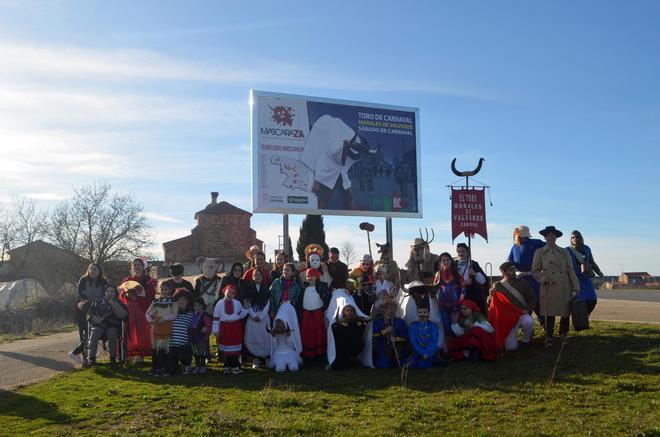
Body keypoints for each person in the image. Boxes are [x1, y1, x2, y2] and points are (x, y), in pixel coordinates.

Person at [532, 226, 580, 346]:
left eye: (553, 235)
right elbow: (535, 270)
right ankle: (549, 337)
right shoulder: (540, 252)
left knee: (565, 313)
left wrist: (575, 287)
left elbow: (570, 270)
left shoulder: (564, 252)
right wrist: (543, 279)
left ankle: (563, 334)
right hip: (548, 286)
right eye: (548, 235)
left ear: (556, 237)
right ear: (545, 237)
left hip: (564, 285)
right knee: (549, 313)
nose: (551, 237)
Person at [488, 262, 537, 351]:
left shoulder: (523, 282)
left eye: (514, 268)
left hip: (521, 314)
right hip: (507, 319)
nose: (514, 271)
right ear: (504, 273)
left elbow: (532, 298)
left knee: (528, 322)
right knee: (511, 348)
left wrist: (527, 310)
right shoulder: (497, 285)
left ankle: (525, 341)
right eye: (511, 270)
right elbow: (491, 303)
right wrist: (491, 295)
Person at [69, 263, 109, 364]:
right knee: (83, 334)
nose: (93, 271)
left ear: (99, 271)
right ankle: (84, 358)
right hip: (83, 309)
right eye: (91, 269)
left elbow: (106, 294)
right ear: (88, 270)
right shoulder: (83, 280)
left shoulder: (104, 282)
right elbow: (81, 293)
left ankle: (80, 354)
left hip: (97, 310)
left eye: (95, 269)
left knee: (91, 333)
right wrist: (90, 302)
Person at [120, 258, 157, 362]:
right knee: (129, 330)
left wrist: (138, 295)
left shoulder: (148, 280)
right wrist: (126, 294)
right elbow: (121, 294)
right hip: (129, 309)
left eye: (138, 265)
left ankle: (140, 354)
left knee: (141, 331)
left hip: (142, 308)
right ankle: (129, 353)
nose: (136, 267)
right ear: (132, 267)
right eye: (134, 265)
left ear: (143, 266)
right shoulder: (127, 280)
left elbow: (150, 294)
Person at [507, 225, 546, 322]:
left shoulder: (536, 243)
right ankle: (524, 323)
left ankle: (543, 322)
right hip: (521, 278)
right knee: (522, 301)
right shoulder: (514, 247)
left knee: (537, 300)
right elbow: (510, 260)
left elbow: (548, 246)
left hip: (534, 277)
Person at [85, 284, 127, 367]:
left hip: (112, 325)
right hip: (99, 325)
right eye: (107, 291)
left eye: (112, 291)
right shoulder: (97, 302)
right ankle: (92, 358)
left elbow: (123, 315)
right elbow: (89, 315)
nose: (110, 293)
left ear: (115, 293)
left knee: (112, 333)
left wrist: (113, 304)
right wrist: (97, 320)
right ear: (104, 293)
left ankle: (112, 359)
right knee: (95, 333)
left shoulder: (118, 302)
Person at [212, 284, 248, 374]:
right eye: (229, 292)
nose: (230, 294)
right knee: (227, 350)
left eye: (232, 293)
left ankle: (235, 366)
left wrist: (246, 309)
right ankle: (227, 366)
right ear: (224, 292)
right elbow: (216, 318)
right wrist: (216, 331)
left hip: (235, 328)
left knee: (234, 350)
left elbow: (240, 315)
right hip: (224, 329)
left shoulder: (237, 303)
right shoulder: (219, 304)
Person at [566, 230, 603, 314]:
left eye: (577, 237)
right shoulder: (567, 250)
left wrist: (599, 272)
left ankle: (586, 314)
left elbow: (592, 262)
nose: (575, 239)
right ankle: (580, 319)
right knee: (579, 301)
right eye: (573, 237)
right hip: (574, 280)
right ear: (570, 239)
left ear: (581, 238)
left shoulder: (586, 249)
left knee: (592, 300)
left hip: (586, 279)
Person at [145, 282, 178, 376]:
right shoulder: (155, 301)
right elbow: (147, 313)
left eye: (165, 289)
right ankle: (154, 367)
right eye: (162, 289)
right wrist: (151, 319)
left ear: (170, 290)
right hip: (155, 327)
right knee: (155, 349)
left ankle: (162, 367)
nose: (163, 291)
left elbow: (174, 314)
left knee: (164, 348)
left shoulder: (173, 301)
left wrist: (164, 319)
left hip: (166, 326)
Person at [299, 268, 331, 361]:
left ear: (316, 276)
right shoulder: (303, 288)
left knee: (318, 332)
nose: (309, 278)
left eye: (312, 276)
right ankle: (307, 354)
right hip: (306, 314)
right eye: (308, 276)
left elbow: (327, 298)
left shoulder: (322, 287)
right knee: (306, 332)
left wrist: (323, 309)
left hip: (318, 313)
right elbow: (300, 301)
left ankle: (320, 354)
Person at [243, 269, 271, 369]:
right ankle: (256, 359)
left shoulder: (266, 289)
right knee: (254, 337)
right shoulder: (248, 289)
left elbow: (268, 303)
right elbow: (246, 303)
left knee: (265, 337)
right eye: (256, 275)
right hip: (252, 317)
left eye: (260, 275)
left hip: (264, 317)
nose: (258, 277)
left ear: (262, 277)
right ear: (252, 277)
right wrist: (253, 315)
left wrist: (262, 316)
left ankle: (266, 357)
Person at [328, 302, 368, 370]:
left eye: (351, 310)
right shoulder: (338, 323)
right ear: (343, 312)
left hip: (353, 347)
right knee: (337, 366)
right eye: (347, 310)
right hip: (342, 350)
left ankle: (351, 359)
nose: (350, 312)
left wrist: (361, 322)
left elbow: (360, 331)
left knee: (360, 344)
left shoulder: (357, 322)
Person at [434, 252, 465, 337]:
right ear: (440, 263)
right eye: (443, 260)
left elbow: (463, 289)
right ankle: (450, 348)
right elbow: (434, 290)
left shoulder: (458, 273)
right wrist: (436, 302)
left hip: (455, 305)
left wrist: (460, 301)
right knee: (446, 327)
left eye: (448, 259)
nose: (446, 262)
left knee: (454, 327)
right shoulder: (438, 275)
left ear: (451, 261)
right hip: (442, 305)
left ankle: (458, 347)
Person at [372, 300, 409, 368]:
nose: (391, 311)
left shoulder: (400, 322)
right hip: (382, 346)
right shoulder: (378, 322)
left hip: (398, 347)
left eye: (393, 309)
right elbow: (373, 335)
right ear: (384, 309)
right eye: (389, 308)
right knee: (384, 365)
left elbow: (405, 337)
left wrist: (397, 339)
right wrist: (384, 331)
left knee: (402, 364)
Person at [268, 302, 303, 372]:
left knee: (294, 367)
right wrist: (273, 336)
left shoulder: (288, 329)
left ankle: (291, 363)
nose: (279, 325)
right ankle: (281, 364)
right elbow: (275, 345)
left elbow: (290, 344)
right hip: (279, 352)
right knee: (280, 368)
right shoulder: (275, 329)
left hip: (289, 351)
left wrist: (289, 336)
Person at [455, 243, 488, 314]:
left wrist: (475, 274)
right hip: (458, 294)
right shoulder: (454, 265)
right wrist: (464, 282)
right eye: (458, 251)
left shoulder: (473, 264)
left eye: (463, 251)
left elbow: (483, 281)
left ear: (467, 253)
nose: (460, 253)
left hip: (473, 295)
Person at [168, 288, 194, 375]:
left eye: (184, 299)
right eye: (179, 299)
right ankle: (175, 366)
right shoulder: (172, 313)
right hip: (172, 344)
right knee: (171, 369)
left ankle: (187, 364)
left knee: (184, 356)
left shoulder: (191, 314)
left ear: (188, 301)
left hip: (184, 344)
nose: (182, 301)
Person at [408, 304, 440, 368]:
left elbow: (434, 342)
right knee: (411, 365)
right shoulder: (412, 327)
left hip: (430, 351)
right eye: (420, 312)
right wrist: (422, 353)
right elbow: (414, 342)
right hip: (417, 351)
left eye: (425, 312)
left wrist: (427, 353)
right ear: (417, 313)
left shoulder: (433, 326)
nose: (422, 314)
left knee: (423, 365)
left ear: (428, 313)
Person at [189, 297, 212, 374]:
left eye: (198, 305)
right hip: (194, 338)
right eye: (195, 306)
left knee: (202, 353)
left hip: (201, 338)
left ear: (202, 306)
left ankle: (202, 366)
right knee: (196, 353)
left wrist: (206, 334)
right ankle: (197, 366)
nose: (196, 307)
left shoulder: (205, 315)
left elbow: (208, 325)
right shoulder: (194, 315)